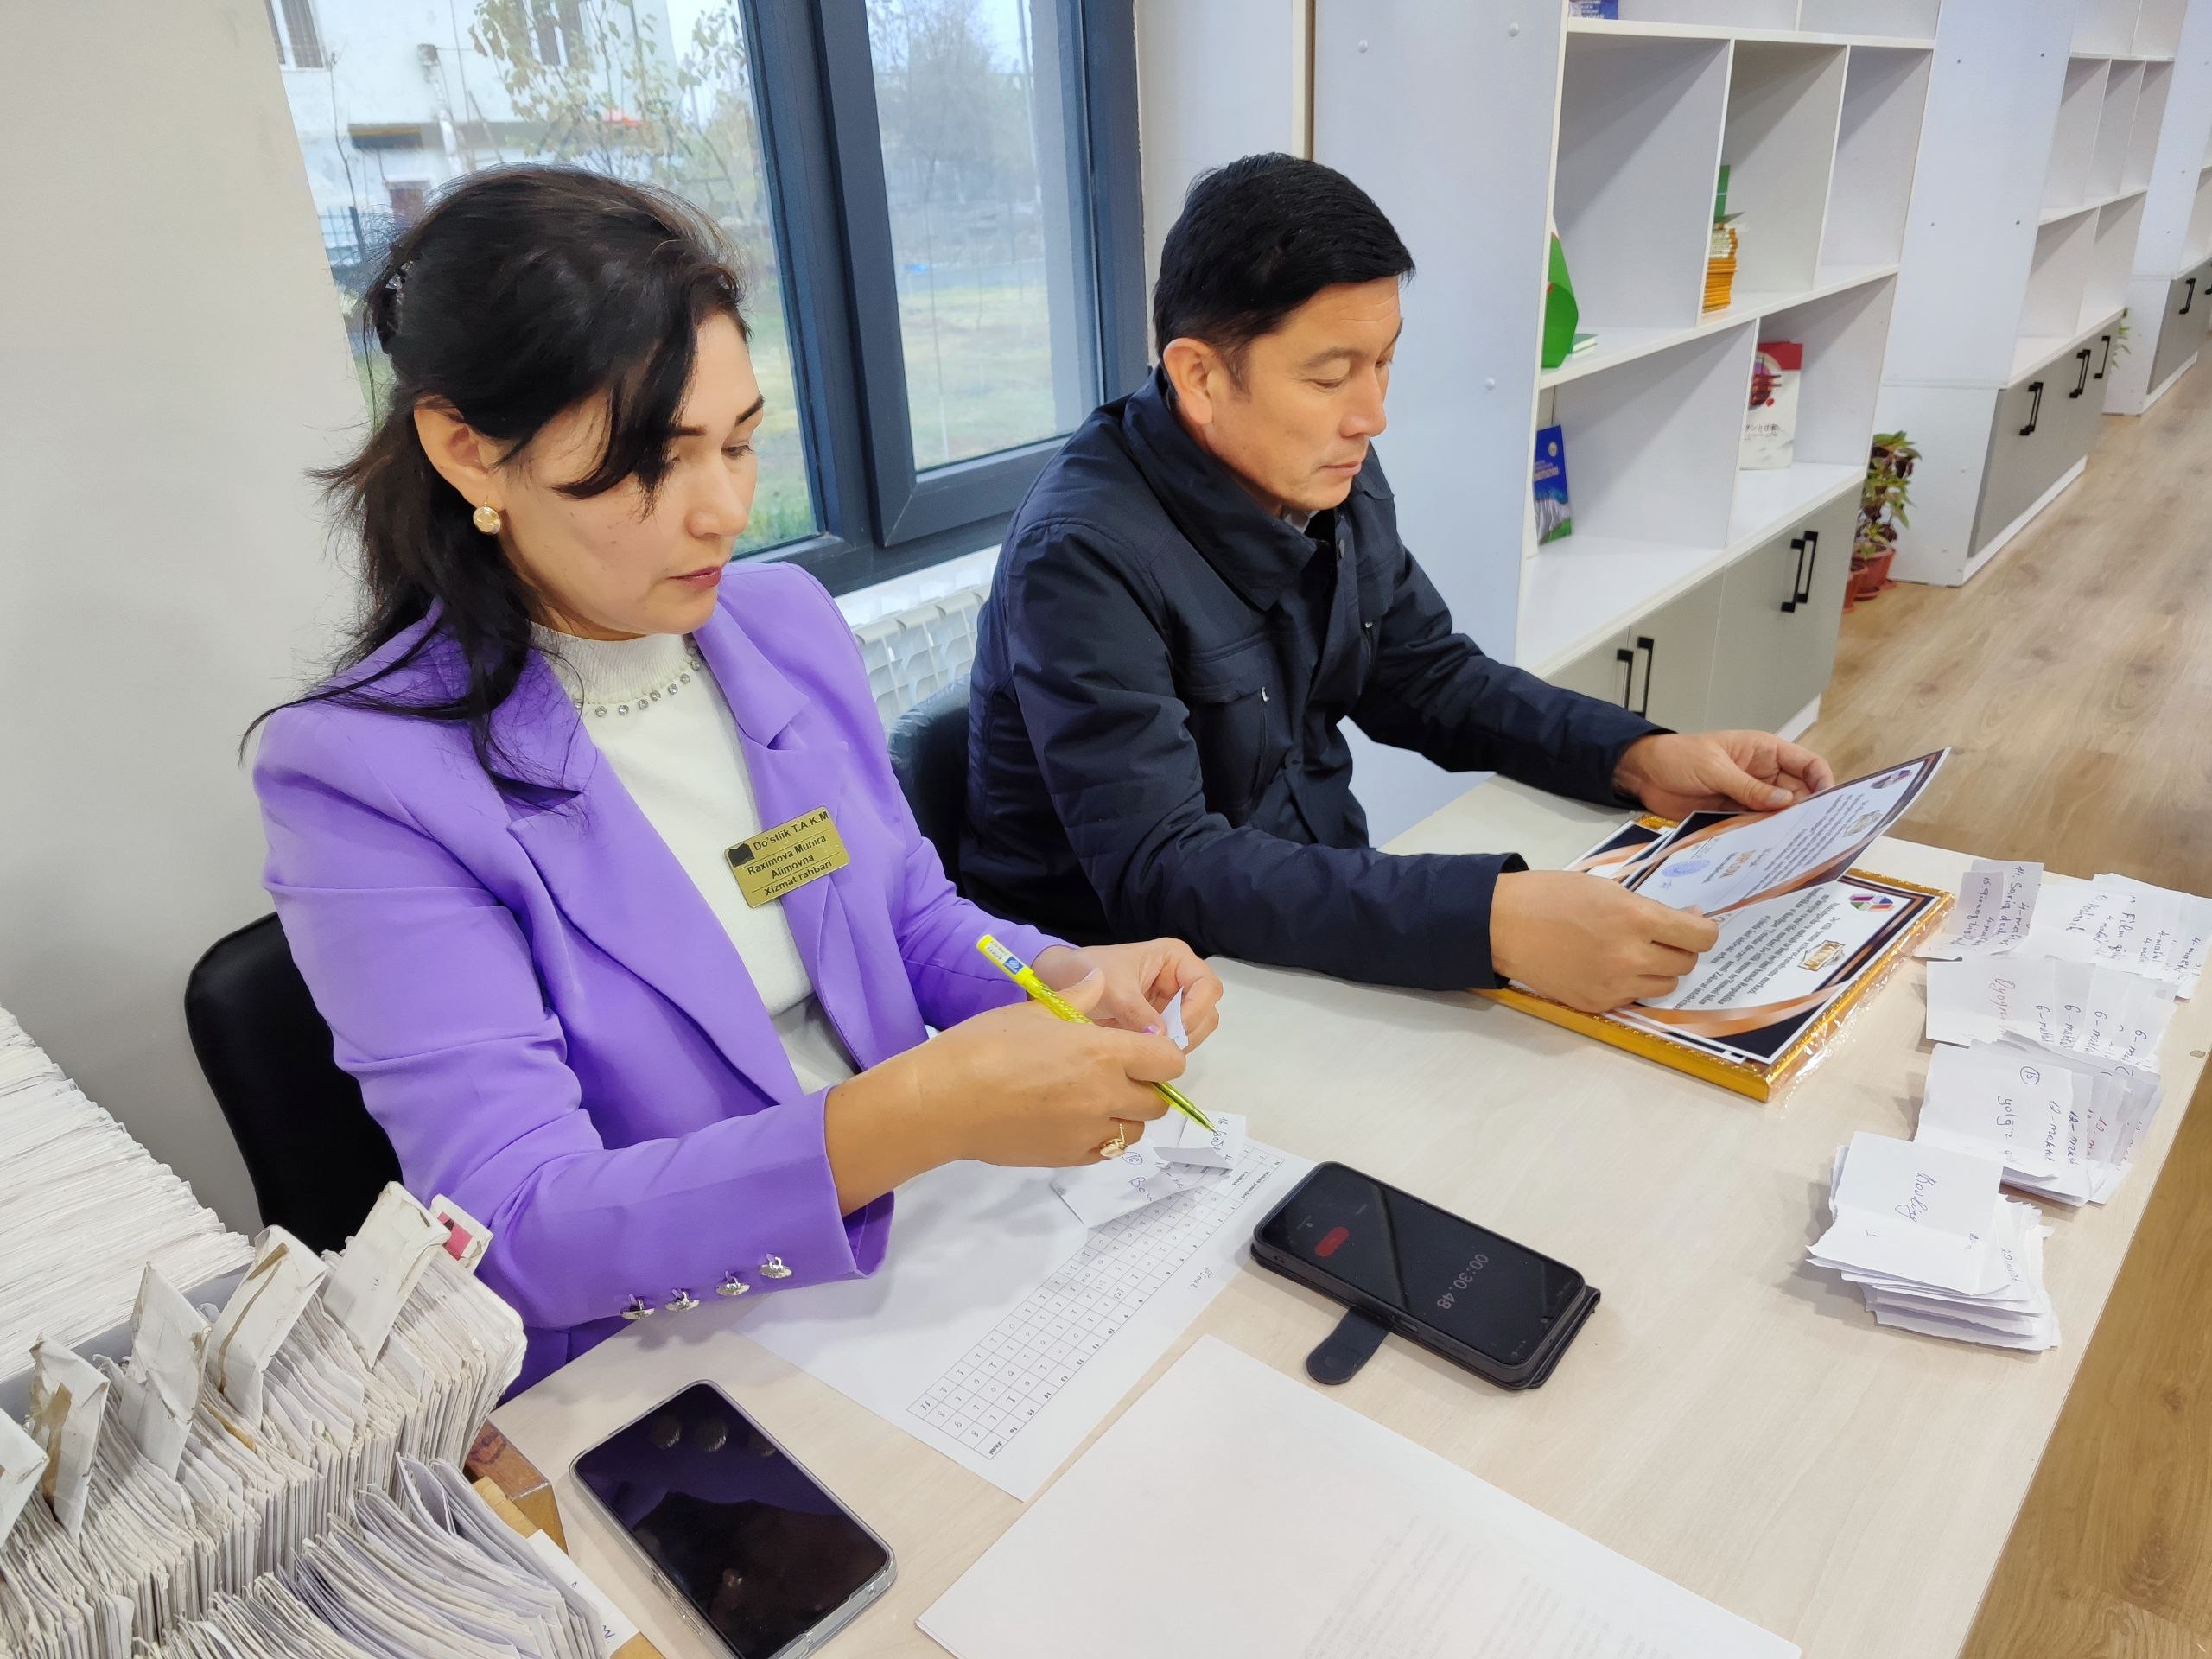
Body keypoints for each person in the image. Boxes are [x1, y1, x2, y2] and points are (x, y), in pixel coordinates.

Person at [251, 168, 1221, 1392]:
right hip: (672, 1349)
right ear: (469, 453)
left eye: (742, 443)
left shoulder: (779, 628)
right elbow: (517, 1224)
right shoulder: (363, 779)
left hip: (924, 1248)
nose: (723, 512)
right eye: (650, 463)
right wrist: (922, 1108)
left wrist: (1064, 978)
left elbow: (907, 918)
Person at [963, 153, 1834, 1014]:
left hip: (1307, 940)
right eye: (1328, 377)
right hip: (1142, 1002)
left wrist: (1633, 757)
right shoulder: (1079, 556)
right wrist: (1490, 920)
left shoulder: (1325, 470)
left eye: (1383, 362)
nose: (1372, 415)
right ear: (1198, 376)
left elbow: (1425, 673)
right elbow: (1166, 869)